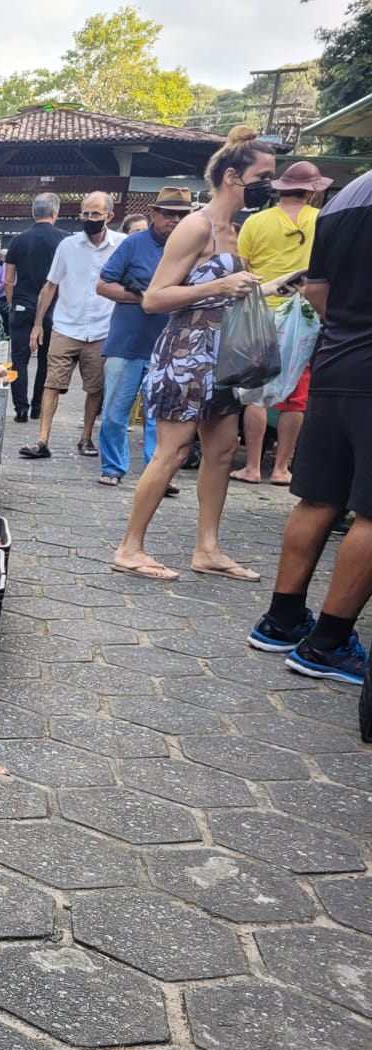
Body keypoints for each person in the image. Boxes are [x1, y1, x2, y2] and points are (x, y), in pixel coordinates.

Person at [111, 125, 281, 582]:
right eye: (263, 175)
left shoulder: (235, 230)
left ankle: (207, 548)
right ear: (232, 176)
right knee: (173, 450)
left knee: (223, 451)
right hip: (186, 351)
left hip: (221, 355)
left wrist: (277, 285)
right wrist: (221, 284)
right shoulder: (196, 225)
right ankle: (129, 547)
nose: (270, 184)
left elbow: (225, 293)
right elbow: (153, 298)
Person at [246, 166, 372, 685]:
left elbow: (317, 289)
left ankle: (283, 618)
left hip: (336, 360)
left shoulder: (351, 195)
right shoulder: (329, 200)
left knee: (318, 497)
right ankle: (328, 643)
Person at [230, 159, 332, 485]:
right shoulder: (325, 221)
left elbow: (241, 270)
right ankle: (282, 468)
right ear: (314, 192)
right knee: (296, 393)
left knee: (256, 391)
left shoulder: (256, 222)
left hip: (261, 310)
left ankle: (252, 466)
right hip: (306, 314)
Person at [94, 188, 192, 490]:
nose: (175, 220)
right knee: (114, 413)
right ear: (154, 214)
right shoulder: (133, 245)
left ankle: (156, 475)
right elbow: (103, 285)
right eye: (169, 213)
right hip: (127, 343)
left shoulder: (191, 248)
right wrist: (146, 299)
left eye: (181, 214)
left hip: (170, 345)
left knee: (159, 417)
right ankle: (112, 466)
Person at [18, 192, 125, 460]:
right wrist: (38, 324)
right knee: (52, 383)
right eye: (85, 214)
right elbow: (51, 284)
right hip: (66, 325)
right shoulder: (67, 246)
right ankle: (42, 440)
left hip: (102, 327)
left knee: (95, 387)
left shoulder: (122, 245)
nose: (89, 219)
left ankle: (86, 437)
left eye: (95, 214)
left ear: (109, 216)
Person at [4, 194, 67, 423]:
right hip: (52, 308)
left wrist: (13, 303)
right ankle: (38, 407)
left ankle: (20, 408)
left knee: (19, 358)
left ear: (33, 213)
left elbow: (8, 280)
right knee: (45, 358)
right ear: (55, 213)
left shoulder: (18, 240)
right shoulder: (64, 240)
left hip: (22, 304)